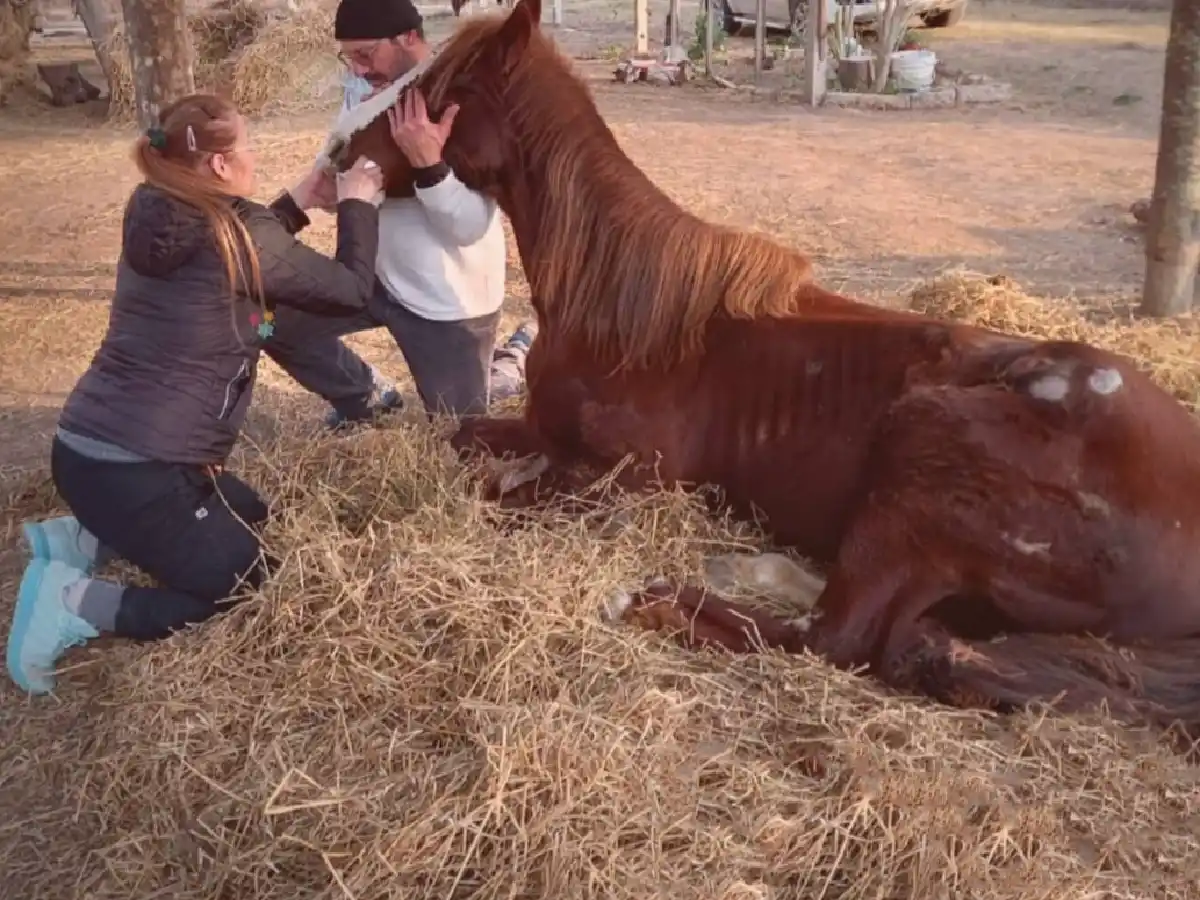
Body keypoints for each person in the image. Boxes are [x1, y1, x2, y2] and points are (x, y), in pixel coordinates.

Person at [6, 93, 385, 696]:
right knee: (247, 585)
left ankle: (83, 536)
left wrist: (298, 203)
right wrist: (359, 206)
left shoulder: (155, 207)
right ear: (217, 166)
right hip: (143, 471)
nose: (255, 155)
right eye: (248, 145)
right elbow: (351, 291)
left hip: (86, 453)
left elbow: (234, 257)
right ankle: (74, 601)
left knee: (255, 517)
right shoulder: (238, 231)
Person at [261, 0, 537, 431]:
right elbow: (336, 164)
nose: (356, 69)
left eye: (365, 54)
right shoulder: (372, 94)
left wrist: (429, 166)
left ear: (408, 37)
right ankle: (366, 396)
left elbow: (468, 228)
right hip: (370, 280)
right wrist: (332, 191)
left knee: (460, 432)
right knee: (265, 323)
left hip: (448, 303)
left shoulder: (461, 99)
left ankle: (512, 360)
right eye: (348, 57)